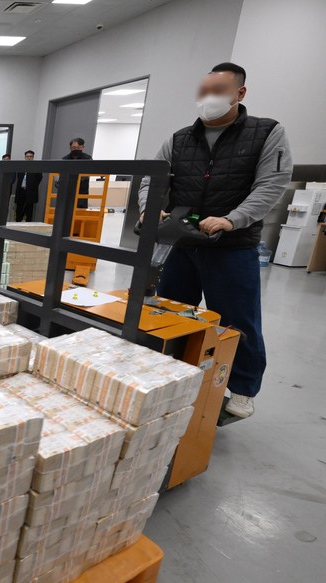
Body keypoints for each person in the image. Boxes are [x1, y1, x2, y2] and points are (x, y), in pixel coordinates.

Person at [137, 62, 291, 419]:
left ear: (240, 93)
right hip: (182, 243)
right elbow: (153, 179)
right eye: (204, 91)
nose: (209, 98)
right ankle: (170, 373)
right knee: (170, 310)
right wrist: (150, 209)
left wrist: (232, 219)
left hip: (231, 246)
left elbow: (272, 184)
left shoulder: (266, 133)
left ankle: (243, 388)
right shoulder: (179, 138)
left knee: (238, 320)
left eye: (218, 91)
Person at [62, 138, 92, 208]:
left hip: (82, 190)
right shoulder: (65, 159)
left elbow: (89, 173)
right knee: (66, 209)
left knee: (80, 210)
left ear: (82, 147)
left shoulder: (87, 159)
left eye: (78, 147)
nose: (76, 149)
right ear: (70, 148)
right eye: (74, 148)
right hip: (68, 189)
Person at [15, 150, 43, 222]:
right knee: (19, 208)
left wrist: (32, 186)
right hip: (21, 191)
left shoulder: (36, 167)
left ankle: (28, 224)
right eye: (27, 156)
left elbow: (39, 178)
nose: (29, 158)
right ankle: (18, 223)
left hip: (31, 192)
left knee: (29, 210)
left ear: (33, 157)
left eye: (31, 156)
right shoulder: (21, 166)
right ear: (25, 157)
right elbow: (19, 177)